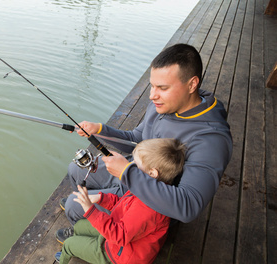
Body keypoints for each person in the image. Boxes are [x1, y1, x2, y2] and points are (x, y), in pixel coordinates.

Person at [56, 43, 233, 243]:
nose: (152, 95)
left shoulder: (211, 140)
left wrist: (126, 173)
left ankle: (95, 237)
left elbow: (188, 206)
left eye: (162, 88)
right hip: (134, 170)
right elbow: (137, 140)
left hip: (148, 203)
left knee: (73, 203)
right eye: (152, 85)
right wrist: (99, 130)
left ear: (192, 85)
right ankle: (91, 218)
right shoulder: (165, 104)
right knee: (75, 168)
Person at [44, 138, 187, 264]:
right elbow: (122, 203)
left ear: (152, 173)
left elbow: (119, 236)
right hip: (121, 235)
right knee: (80, 226)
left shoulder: (149, 208)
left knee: (69, 245)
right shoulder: (148, 189)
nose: (130, 166)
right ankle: (71, 253)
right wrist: (101, 198)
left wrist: (90, 210)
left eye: (135, 165)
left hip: (122, 256)